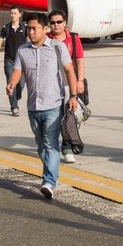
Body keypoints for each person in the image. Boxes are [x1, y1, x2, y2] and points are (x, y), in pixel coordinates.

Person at [6, 12, 78, 199]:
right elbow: (17, 70)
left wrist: (73, 95)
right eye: (28, 28)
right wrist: (12, 83)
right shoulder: (23, 50)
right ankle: (50, 172)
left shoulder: (57, 47)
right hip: (33, 106)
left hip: (54, 105)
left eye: (34, 28)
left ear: (45, 29)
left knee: (50, 143)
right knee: (40, 144)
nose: (30, 32)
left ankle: (49, 181)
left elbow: (70, 70)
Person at [47, 9, 86, 164]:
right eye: (52, 23)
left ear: (65, 23)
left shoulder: (73, 38)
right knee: (54, 117)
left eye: (59, 22)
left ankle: (67, 147)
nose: (55, 25)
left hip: (69, 84)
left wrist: (80, 80)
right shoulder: (47, 39)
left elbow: (80, 60)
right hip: (51, 85)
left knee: (69, 117)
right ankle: (53, 145)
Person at [0, 5, 27, 116]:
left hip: (22, 60)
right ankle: (14, 106)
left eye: (14, 13)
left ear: (19, 14)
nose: (12, 15)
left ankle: (17, 96)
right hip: (9, 59)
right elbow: (0, 40)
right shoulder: (6, 28)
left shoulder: (25, 27)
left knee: (21, 84)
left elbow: (29, 41)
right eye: (11, 13)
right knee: (11, 83)